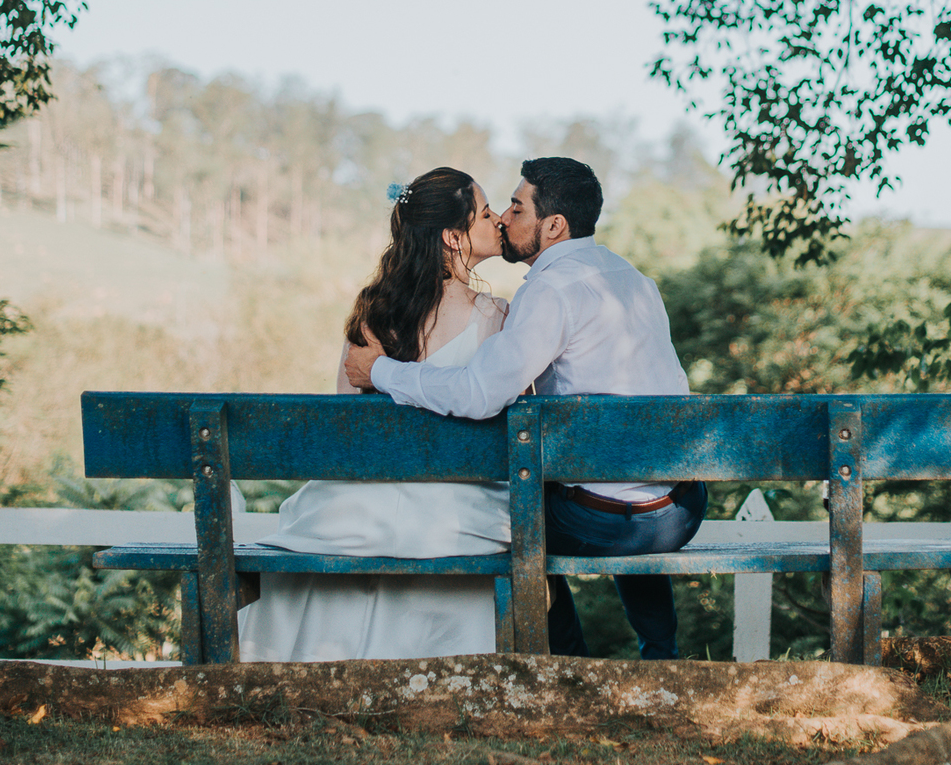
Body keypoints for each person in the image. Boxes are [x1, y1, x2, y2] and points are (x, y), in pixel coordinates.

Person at [345, 156, 706, 660]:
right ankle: (661, 653)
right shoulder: (633, 280)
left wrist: (381, 372)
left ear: (553, 226)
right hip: (679, 511)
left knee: (508, 518)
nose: (505, 219)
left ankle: (570, 664)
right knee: (628, 476)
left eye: (516, 207)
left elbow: (480, 393)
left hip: (605, 521)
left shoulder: (550, 292)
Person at [237, 168, 510, 662]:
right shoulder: (494, 317)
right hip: (455, 512)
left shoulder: (373, 311)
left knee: (342, 513)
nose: (498, 222)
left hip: (357, 509)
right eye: (486, 213)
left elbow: (346, 424)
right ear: (453, 237)